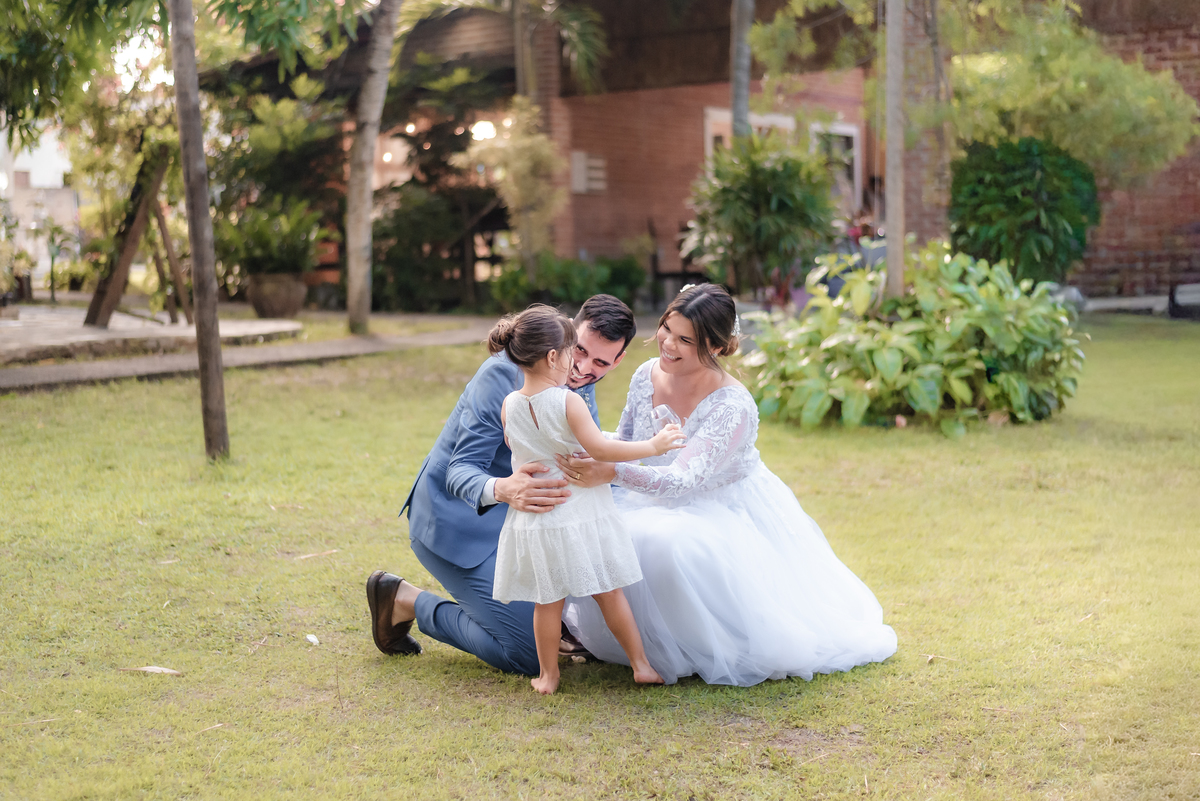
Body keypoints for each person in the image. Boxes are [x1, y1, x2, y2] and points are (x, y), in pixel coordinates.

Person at [558, 284, 899, 687]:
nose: (667, 344)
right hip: (649, 491)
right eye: (667, 329)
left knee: (668, 542)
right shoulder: (645, 374)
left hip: (716, 505)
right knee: (608, 528)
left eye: (685, 340)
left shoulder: (732, 405)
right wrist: (588, 446)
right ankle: (641, 642)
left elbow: (683, 479)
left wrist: (611, 472)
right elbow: (631, 440)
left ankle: (696, 644)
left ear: (716, 348)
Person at [366, 295, 637, 676]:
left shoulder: (580, 383)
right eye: (579, 352)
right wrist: (504, 489)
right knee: (527, 655)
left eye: (600, 364)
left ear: (617, 361)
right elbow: (459, 470)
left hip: (526, 529)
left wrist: (610, 471)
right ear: (570, 334)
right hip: (457, 525)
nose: (582, 368)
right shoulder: (501, 374)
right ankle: (405, 601)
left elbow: (581, 459)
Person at [487, 306, 684, 693]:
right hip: (578, 512)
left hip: (539, 518)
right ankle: (640, 665)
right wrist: (653, 444)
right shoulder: (567, 402)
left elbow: (516, 446)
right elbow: (601, 449)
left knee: (548, 603)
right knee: (609, 592)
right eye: (572, 352)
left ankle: (548, 676)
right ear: (553, 357)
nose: (576, 366)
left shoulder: (509, 404)